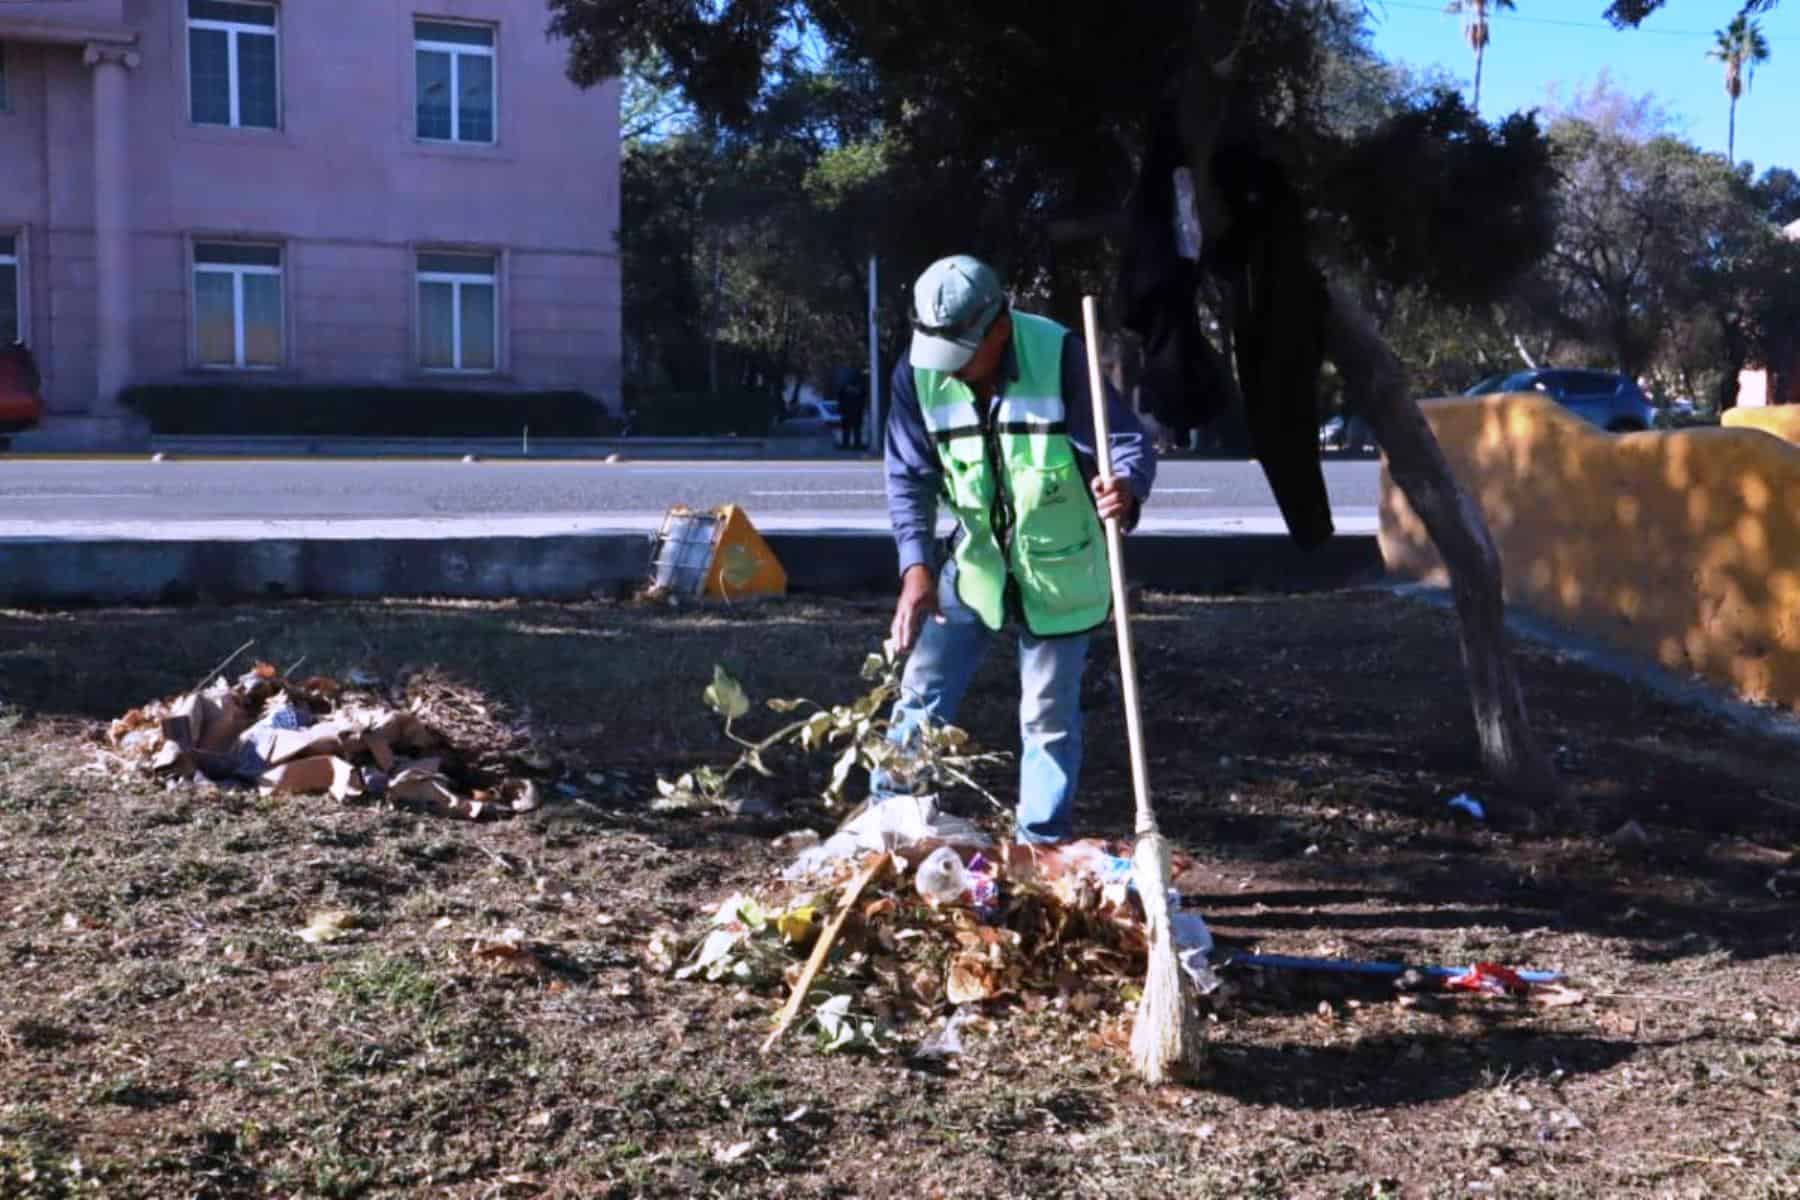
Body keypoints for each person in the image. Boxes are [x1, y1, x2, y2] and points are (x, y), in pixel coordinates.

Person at [877, 255, 1156, 844]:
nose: (948, 372)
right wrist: (917, 567)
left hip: (1062, 568)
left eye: (962, 356)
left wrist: (1123, 487)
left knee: (1048, 717)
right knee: (921, 694)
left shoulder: (1059, 356)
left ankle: (1041, 843)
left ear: (998, 328)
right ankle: (889, 826)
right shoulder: (917, 373)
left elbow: (1126, 440)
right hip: (975, 564)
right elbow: (908, 476)